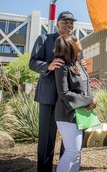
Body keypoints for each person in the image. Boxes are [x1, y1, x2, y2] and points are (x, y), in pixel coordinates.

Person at [29, 11, 77, 172]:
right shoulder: (44, 39)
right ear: (57, 24)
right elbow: (33, 63)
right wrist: (47, 66)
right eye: (65, 23)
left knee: (68, 139)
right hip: (48, 96)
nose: (69, 26)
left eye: (71, 23)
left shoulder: (75, 42)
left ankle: (65, 167)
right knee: (46, 137)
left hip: (68, 98)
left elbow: (77, 66)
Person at [54, 34, 97, 172]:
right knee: (72, 151)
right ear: (70, 44)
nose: (80, 41)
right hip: (67, 114)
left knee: (77, 153)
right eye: (77, 40)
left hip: (81, 114)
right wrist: (89, 100)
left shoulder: (78, 63)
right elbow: (63, 93)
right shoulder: (62, 65)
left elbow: (85, 86)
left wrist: (91, 102)